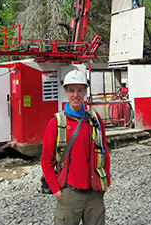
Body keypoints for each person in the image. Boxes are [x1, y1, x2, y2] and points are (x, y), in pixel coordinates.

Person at [41, 68, 111, 225]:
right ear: (65, 92)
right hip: (69, 194)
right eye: (71, 90)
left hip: (95, 194)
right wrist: (57, 191)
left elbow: (104, 151)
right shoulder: (57, 123)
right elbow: (46, 159)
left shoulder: (95, 120)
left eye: (80, 90)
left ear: (85, 91)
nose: (76, 95)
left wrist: (107, 180)